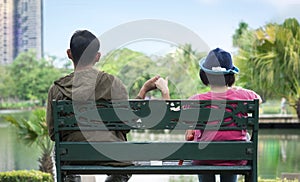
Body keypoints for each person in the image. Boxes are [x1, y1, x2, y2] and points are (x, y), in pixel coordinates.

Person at [46, 30, 164, 182]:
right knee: (125, 164)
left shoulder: (56, 89)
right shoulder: (113, 84)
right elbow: (126, 125)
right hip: (111, 155)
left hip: (72, 155)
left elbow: (53, 133)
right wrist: (143, 91)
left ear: (69, 54)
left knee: (61, 154)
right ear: (97, 56)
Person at [156, 48, 261, 182]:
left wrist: (165, 91)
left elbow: (171, 116)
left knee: (203, 151)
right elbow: (259, 99)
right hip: (235, 155)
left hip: (204, 157)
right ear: (231, 75)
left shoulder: (196, 100)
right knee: (237, 144)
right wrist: (238, 90)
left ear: (205, 75)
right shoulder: (244, 96)